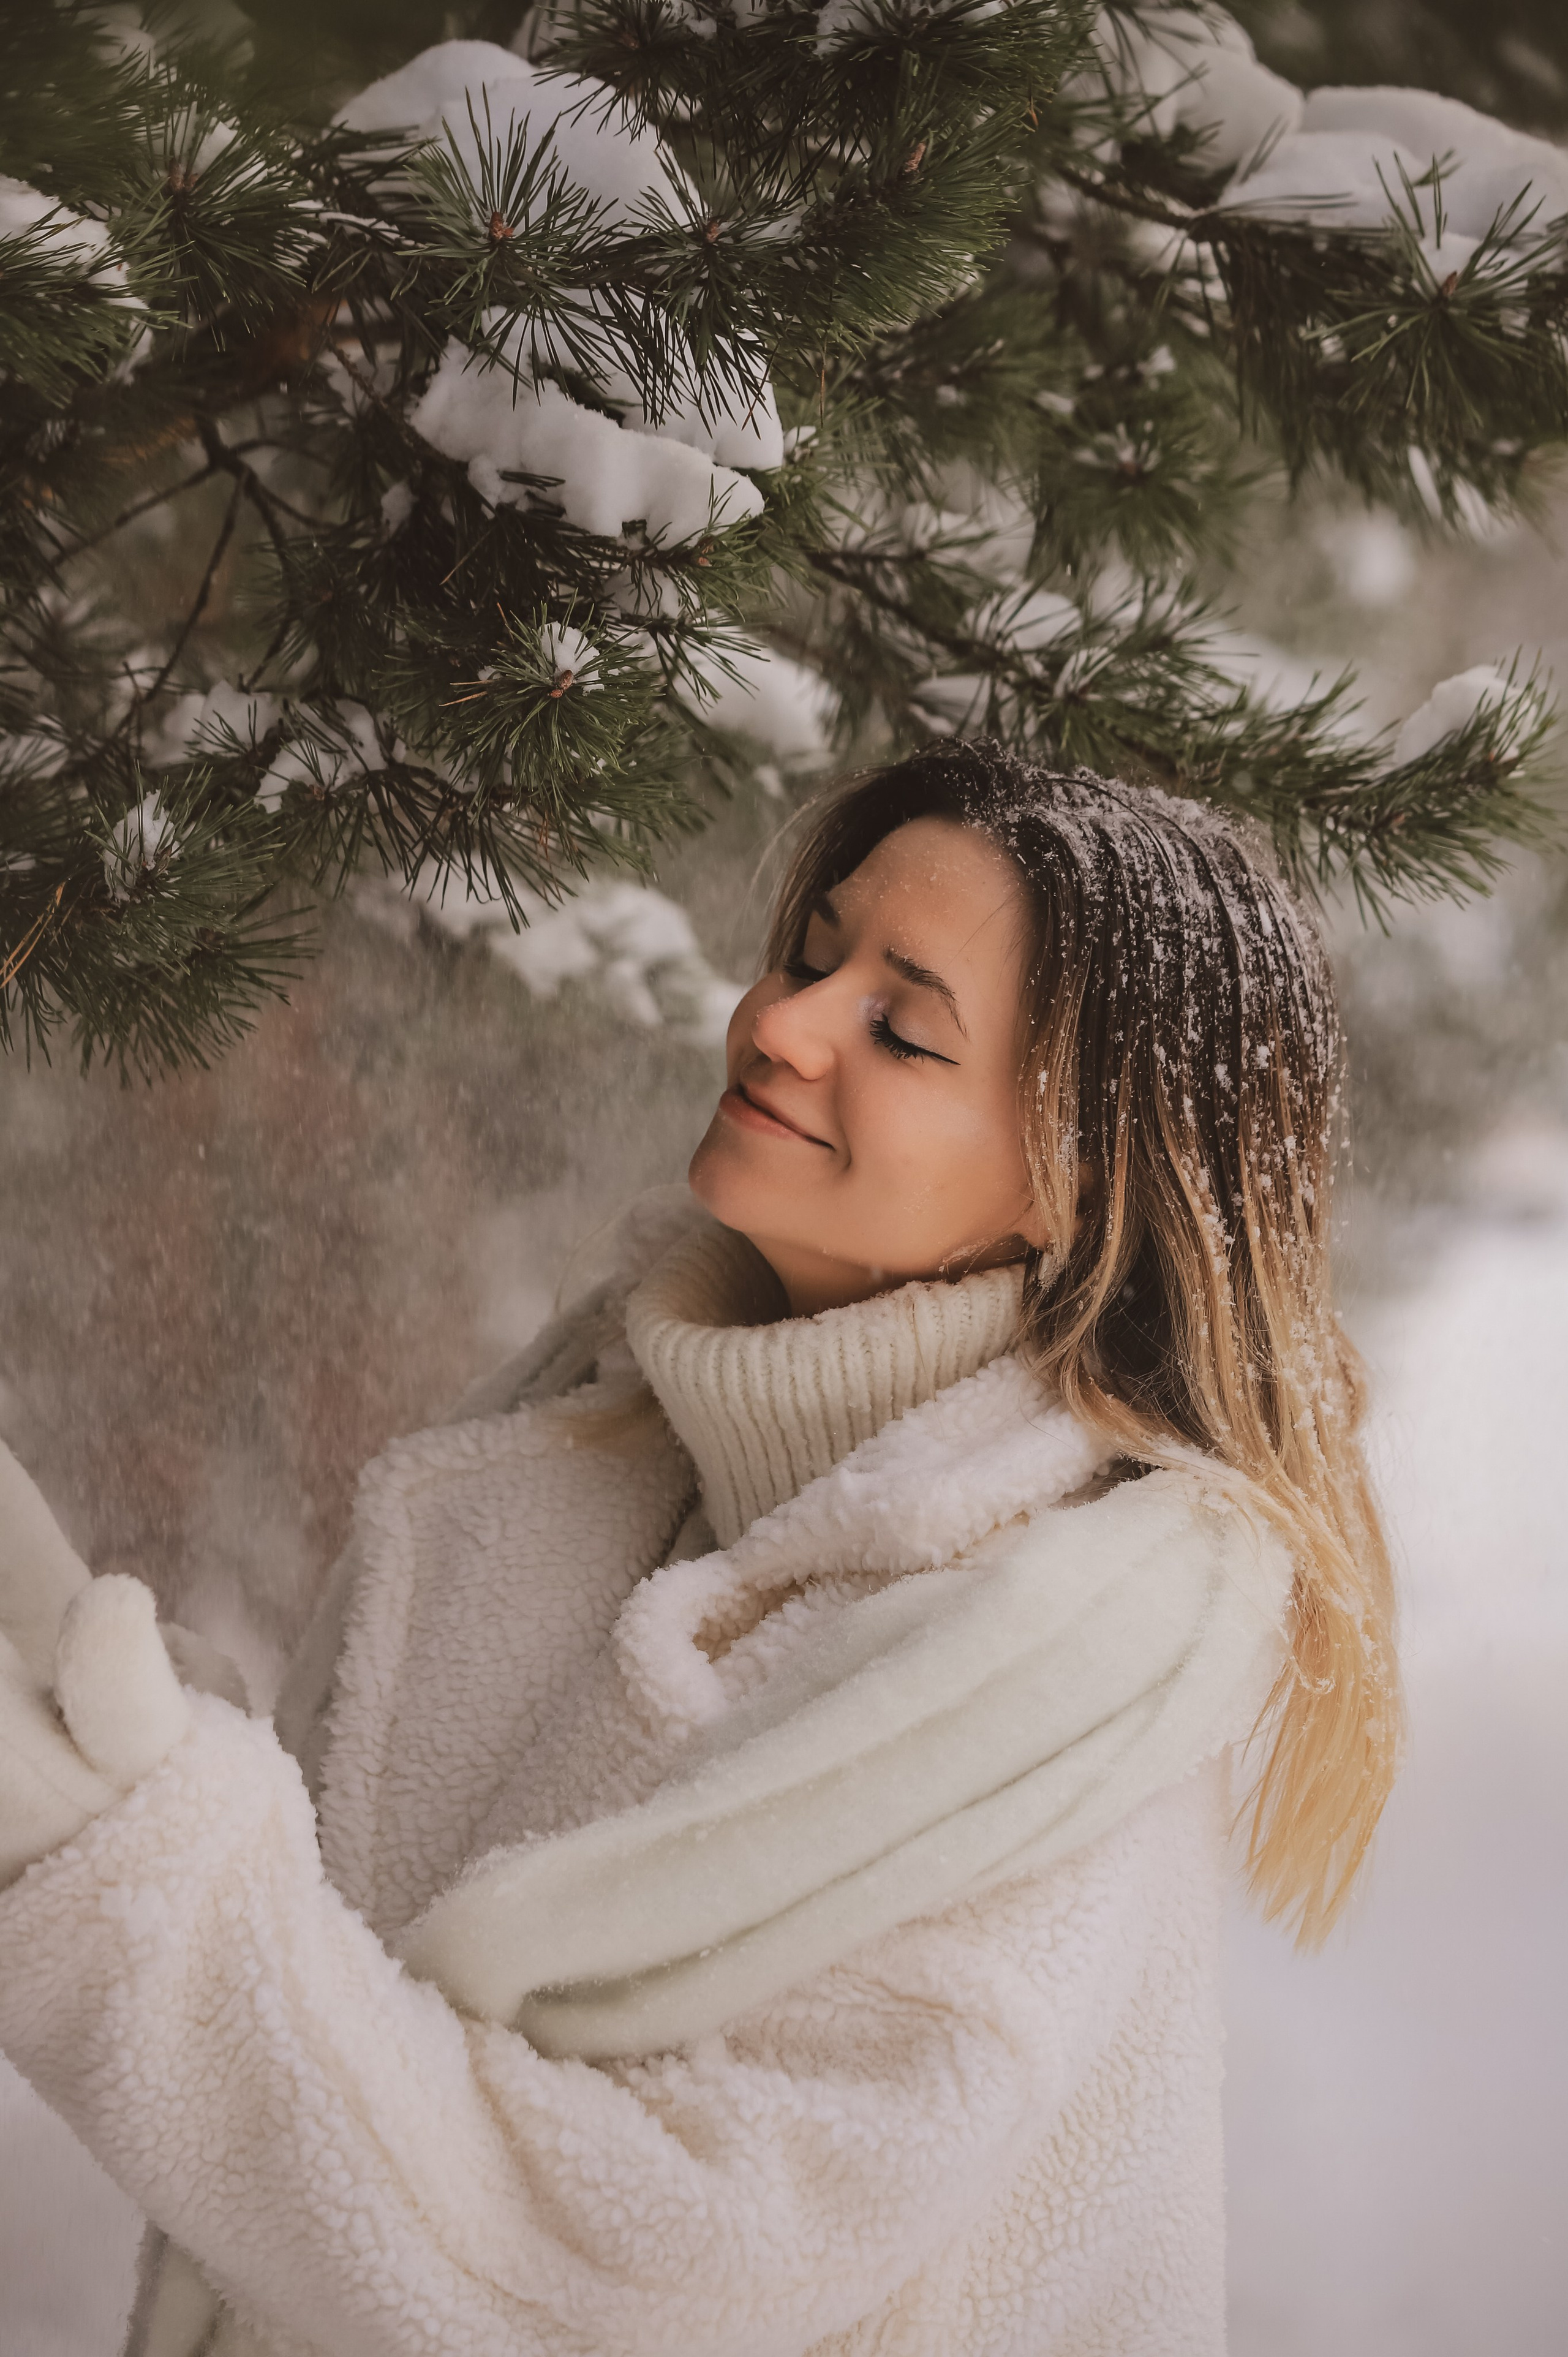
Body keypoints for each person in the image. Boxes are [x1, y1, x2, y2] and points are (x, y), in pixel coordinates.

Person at [0, 743, 1400, 2357]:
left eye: (903, 1027)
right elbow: (342, 1946)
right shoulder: (607, 1436)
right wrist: (94, 1721)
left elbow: (632, 2267)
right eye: (813, 954)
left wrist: (105, 1880)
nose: (781, 1024)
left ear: (1084, 1176)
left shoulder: (1043, 1678)